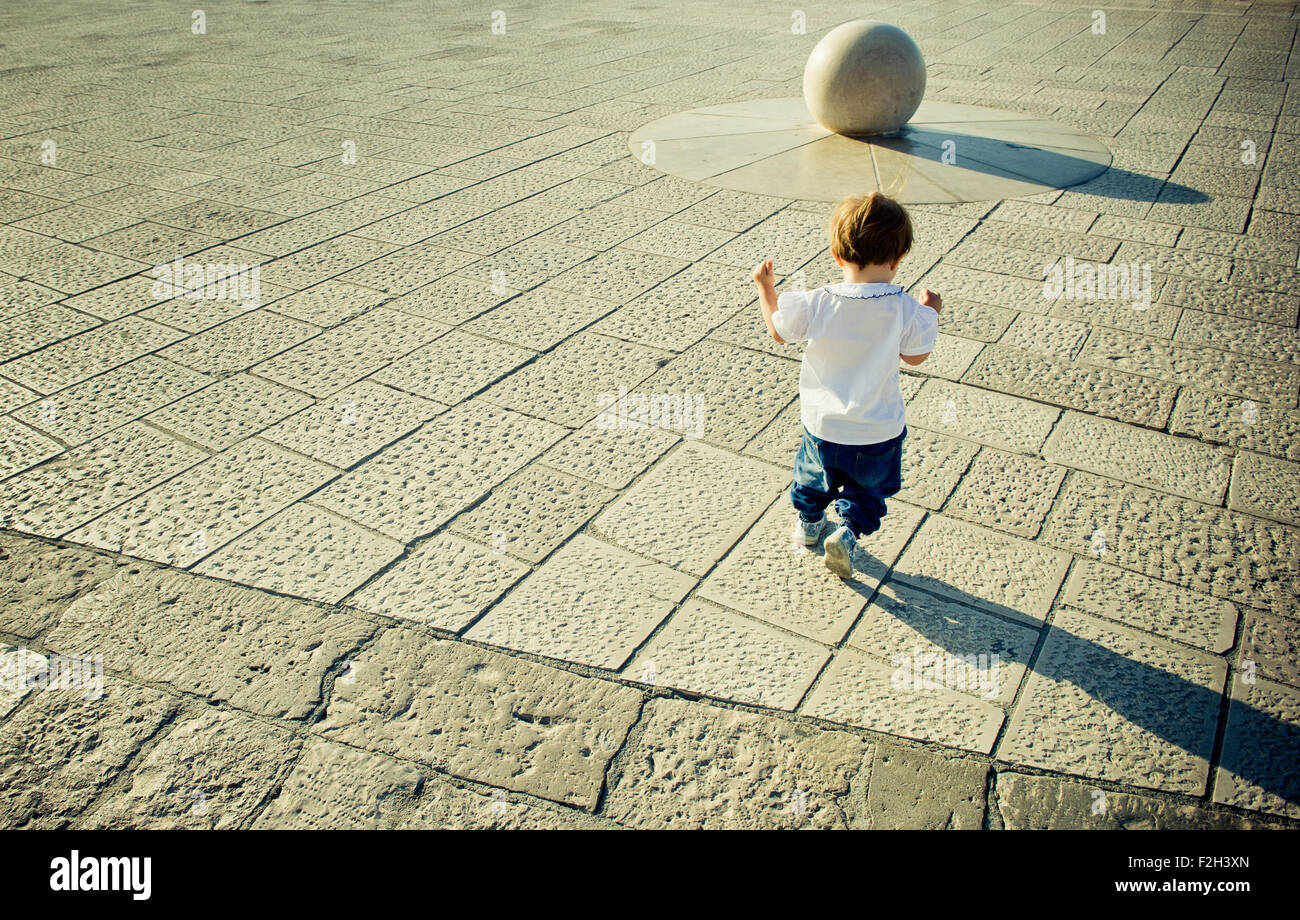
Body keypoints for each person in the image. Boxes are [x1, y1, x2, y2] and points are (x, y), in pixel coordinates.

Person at [752, 192, 941, 578]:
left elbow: (778, 331)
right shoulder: (903, 307)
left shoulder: (819, 301)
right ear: (897, 259)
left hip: (824, 426)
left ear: (837, 256)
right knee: (868, 492)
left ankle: (808, 525)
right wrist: (931, 312)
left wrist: (765, 289)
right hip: (878, 430)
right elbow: (915, 356)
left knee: (813, 478)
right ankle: (848, 532)